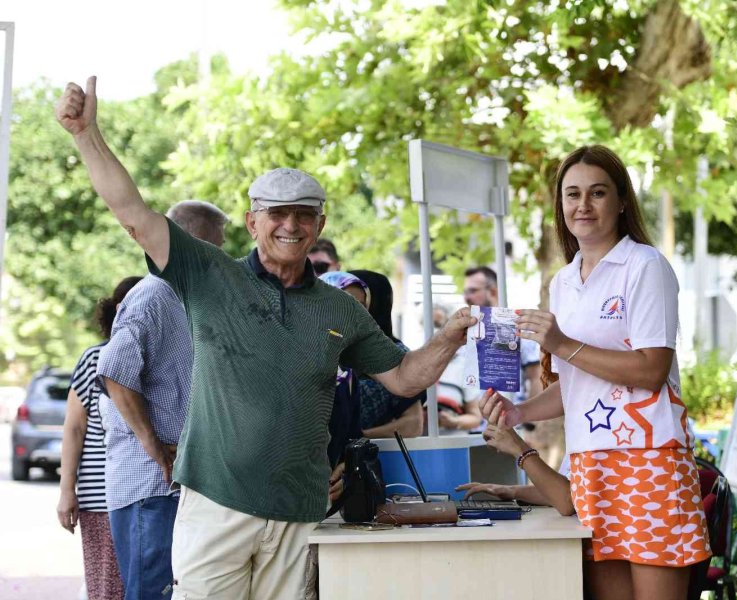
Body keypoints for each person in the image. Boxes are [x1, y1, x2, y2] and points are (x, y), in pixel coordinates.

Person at [56, 76, 474, 600]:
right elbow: (133, 215)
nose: (291, 226)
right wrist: (85, 135)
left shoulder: (340, 306)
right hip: (217, 504)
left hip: (299, 512)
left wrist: (451, 336)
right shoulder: (210, 275)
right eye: (277, 213)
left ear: (319, 223)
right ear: (253, 221)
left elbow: (404, 375)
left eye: (304, 215)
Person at [481, 145, 711, 600]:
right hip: (591, 462)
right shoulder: (563, 281)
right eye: (572, 194)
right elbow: (577, 383)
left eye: (597, 193)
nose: (582, 205)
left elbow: (651, 369)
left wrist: (562, 344)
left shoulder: (646, 266)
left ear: (622, 201)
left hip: (649, 459)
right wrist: (519, 409)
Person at [96, 201, 227, 600]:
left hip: (180, 481)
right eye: (216, 246)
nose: (219, 256)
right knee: (153, 591)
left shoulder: (187, 296)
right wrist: (152, 446)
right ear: (192, 242)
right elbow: (115, 371)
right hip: (150, 484)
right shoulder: (153, 295)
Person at [57, 275, 142, 600]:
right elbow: (74, 427)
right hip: (102, 498)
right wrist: (67, 491)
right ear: (119, 310)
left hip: (154, 493)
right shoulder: (95, 358)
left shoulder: (167, 357)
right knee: (107, 589)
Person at [438, 266, 542, 433]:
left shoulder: (518, 328)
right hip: (468, 430)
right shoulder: (464, 333)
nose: (467, 297)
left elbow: (535, 377)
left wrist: (531, 420)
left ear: (493, 292)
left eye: (473, 291)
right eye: (465, 292)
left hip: (508, 430)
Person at [349, 269, 424, 438]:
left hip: (372, 455)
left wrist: (357, 437)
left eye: (356, 302)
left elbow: (412, 424)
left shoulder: (397, 356)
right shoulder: (326, 346)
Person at [317, 271, 368, 467]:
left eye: (361, 307)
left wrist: (345, 470)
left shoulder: (347, 373)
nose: (353, 314)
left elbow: (353, 437)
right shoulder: (289, 361)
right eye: (343, 303)